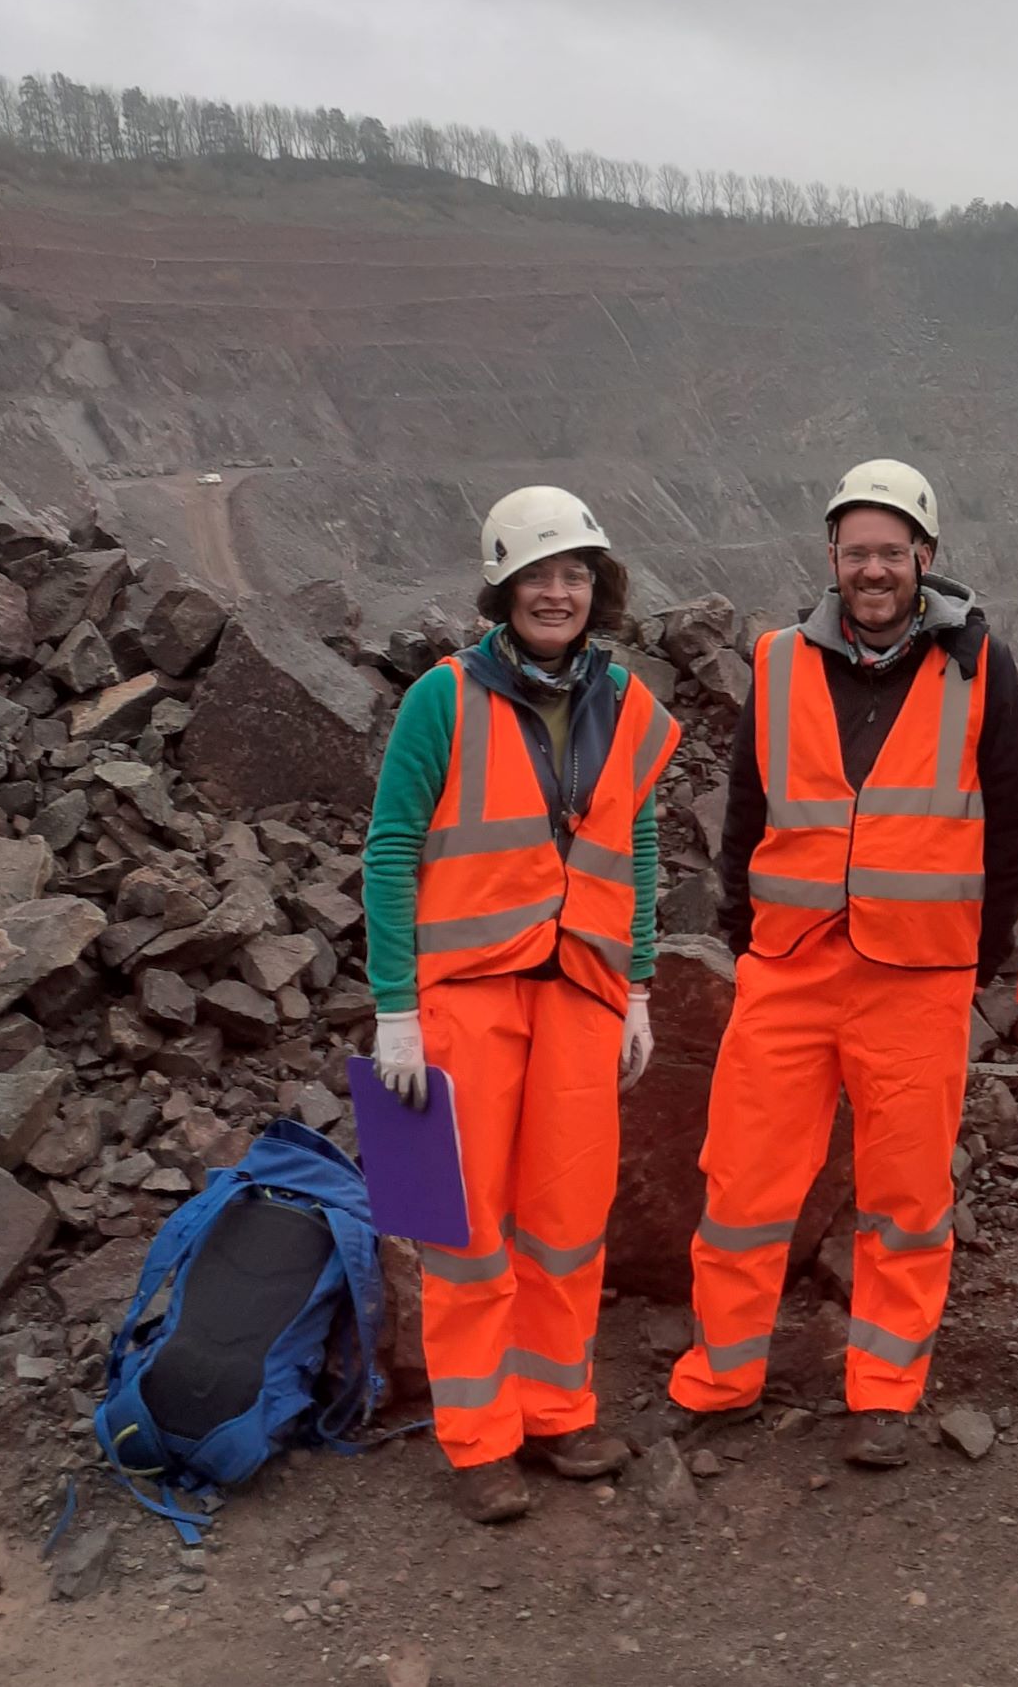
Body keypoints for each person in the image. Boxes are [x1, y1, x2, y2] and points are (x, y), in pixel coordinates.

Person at [668, 459, 1018, 1466]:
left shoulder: (978, 665)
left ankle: (883, 1387)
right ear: (832, 557)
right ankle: (724, 1372)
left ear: (924, 556)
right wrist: (745, 935)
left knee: (906, 1194)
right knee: (743, 1180)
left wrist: (986, 959)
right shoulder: (780, 659)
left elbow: (1014, 819)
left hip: (918, 975)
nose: (873, 568)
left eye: (892, 550)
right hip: (789, 969)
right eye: (856, 550)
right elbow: (744, 810)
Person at [362, 485, 680, 1524]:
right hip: (465, 1003)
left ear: (600, 587)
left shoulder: (627, 702)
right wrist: (394, 1007)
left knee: (567, 1223)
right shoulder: (442, 699)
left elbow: (633, 841)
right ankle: (479, 1439)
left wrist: (634, 982)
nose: (556, 591)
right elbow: (392, 851)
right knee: (462, 1233)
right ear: (502, 588)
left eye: (574, 574)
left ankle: (558, 1410)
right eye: (537, 575)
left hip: (581, 996)